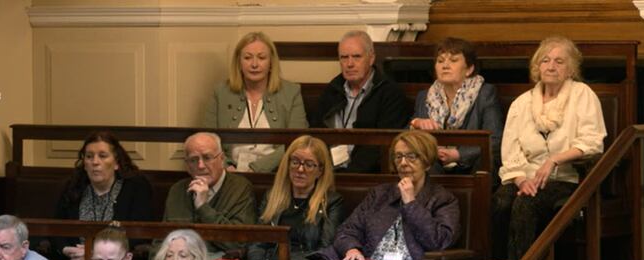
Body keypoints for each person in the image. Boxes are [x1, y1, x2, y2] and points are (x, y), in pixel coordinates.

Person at [316, 130, 467, 260]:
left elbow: (440, 241)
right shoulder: (380, 195)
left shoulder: (442, 199)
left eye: (411, 156)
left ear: (426, 162)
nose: (403, 163)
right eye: (398, 156)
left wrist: (411, 203)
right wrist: (352, 249)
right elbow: (347, 230)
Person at [492, 36, 606, 260]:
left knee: (525, 204)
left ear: (570, 68)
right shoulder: (522, 103)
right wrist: (520, 178)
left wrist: (554, 160)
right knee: (500, 201)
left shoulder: (582, 96)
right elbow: (510, 150)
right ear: (536, 66)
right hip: (524, 176)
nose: (551, 66)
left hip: (565, 178)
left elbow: (592, 142)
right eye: (545, 60)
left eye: (559, 61)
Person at [245, 135, 344, 260]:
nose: (300, 169)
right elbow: (258, 239)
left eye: (309, 164)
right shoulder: (273, 196)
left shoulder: (331, 202)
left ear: (320, 171)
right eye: (295, 162)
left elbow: (325, 249)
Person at [204, 31, 308, 173]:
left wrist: (257, 169)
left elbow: (297, 142)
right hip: (228, 173)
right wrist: (226, 167)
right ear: (239, 63)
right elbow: (208, 140)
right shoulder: (221, 93)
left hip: (274, 174)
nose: (254, 64)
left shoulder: (291, 92)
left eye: (261, 58)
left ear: (271, 62)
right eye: (247, 58)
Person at [309, 30, 409, 173]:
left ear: (371, 58)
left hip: (368, 173)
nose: (349, 64)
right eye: (344, 57)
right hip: (326, 171)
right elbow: (316, 133)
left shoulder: (389, 93)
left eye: (356, 57)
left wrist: (351, 174)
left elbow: (382, 146)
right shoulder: (332, 90)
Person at [410, 37, 504, 183]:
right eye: (440, 61)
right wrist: (416, 123)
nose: (445, 65)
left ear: (469, 69)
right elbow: (404, 137)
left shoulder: (485, 93)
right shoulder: (425, 96)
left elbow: (495, 139)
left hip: (472, 164)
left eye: (453, 60)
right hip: (435, 163)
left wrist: (458, 154)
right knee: (419, 163)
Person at [54, 130, 154, 260]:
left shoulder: (136, 187)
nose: (95, 162)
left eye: (102, 156)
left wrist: (93, 253)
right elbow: (56, 229)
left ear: (116, 162)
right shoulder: (73, 187)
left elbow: (140, 234)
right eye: (89, 156)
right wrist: (66, 250)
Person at [162, 132, 257, 256]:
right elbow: (162, 239)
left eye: (207, 158)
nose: (200, 166)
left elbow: (238, 243)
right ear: (187, 165)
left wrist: (203, 207)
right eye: (193, 160)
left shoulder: (240, 188)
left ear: (222, 159)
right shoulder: (177, 190)